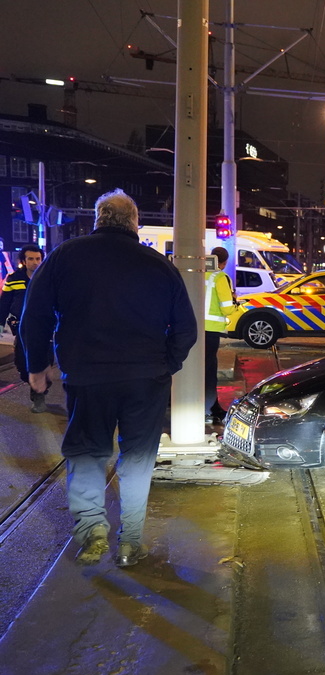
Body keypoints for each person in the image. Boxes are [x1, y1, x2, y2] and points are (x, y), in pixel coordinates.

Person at [20, 190, 197, 567]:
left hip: (87, 377)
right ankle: (131, 543)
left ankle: (91, 534)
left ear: (98, 219)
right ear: (135, 223)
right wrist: (167, 364)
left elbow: (33, 318)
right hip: (146, 379)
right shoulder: (159, 265)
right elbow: (186, 329)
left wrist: (38, 368)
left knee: (86, 452)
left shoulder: (65, 257)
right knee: (137, 458)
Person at [0, 244, 46, 411]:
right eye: (31, 259)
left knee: (45, 361)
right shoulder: (13, 279)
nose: (35, 262)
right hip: (21, 327)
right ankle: (34, 385)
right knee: (21, 362)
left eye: (38, 259)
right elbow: (4, 302)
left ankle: (39, 394)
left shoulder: (48, 278)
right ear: (24, 261)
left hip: (43, 327)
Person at [204, 246, 239, 424]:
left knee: (194, 369)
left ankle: (203, 405)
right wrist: (235, 302)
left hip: (192, 328)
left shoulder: (198, 272)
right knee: (209, 371)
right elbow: (226, 307)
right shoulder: (219, 277)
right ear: (224, 263)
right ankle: (209, 409)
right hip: (210, 330)